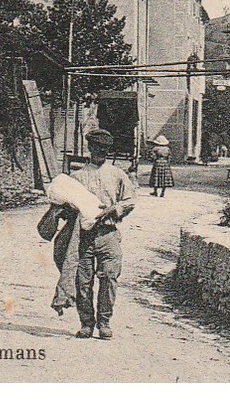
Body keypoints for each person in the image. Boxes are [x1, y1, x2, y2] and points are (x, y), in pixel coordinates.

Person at [69, 128, 135, 339]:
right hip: (83, 235)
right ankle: (86, 323)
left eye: (104, 149)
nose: (100, 152)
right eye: (96, 147)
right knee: (83, 280)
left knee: (109, 277)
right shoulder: (77, 176)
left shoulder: (117, 174)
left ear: (108, 150)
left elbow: (130, 200)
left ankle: (104, 322)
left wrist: (113, 209)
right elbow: (64, 201)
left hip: (108, 234)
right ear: (90, 148)